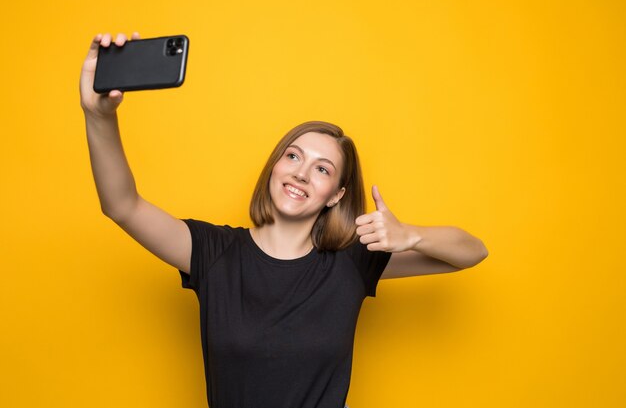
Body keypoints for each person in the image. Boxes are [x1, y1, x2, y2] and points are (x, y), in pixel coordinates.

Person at [80, 32, 489, 408]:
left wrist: (411, 236)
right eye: (293, 156)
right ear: (274, 167)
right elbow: (122, 205)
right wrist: (99, 116)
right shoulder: (212, 253)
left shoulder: (351, 261)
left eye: (322, 169)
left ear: (337, 196)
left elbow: (472, 252)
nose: (300, 173)